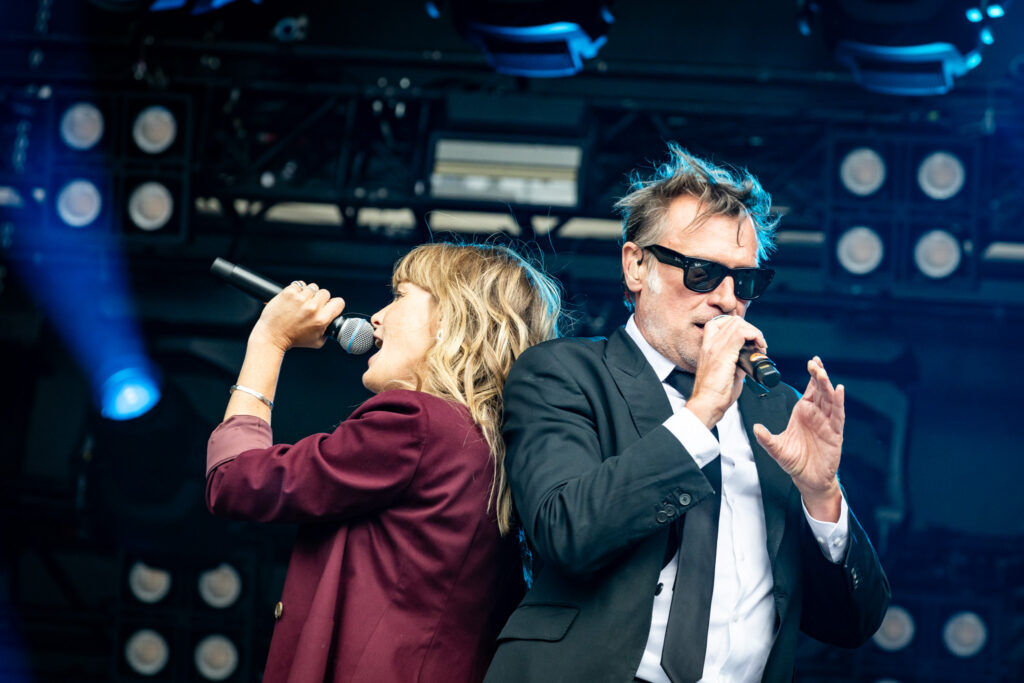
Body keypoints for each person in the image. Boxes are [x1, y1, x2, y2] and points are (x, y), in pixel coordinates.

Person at [484, 145, 890, 683]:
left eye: (745, 282)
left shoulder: (778, 409)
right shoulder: (564, 373)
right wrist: (701, 413)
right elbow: (567, 533)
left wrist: (822, 496)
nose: (726, 299)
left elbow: (852, 624)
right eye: (701, 272)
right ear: (636, 265)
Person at [205, 242, 563, 683]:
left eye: (400, 296)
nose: (377, 317)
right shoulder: (491, 440)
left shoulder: (418, 423)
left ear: (452, 320)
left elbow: (235, 481)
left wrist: (269, 340)